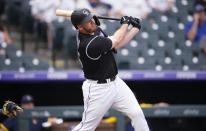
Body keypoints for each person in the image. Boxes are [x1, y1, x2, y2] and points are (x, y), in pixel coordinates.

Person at [69, 8, 149, 131]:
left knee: (136, 113)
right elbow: (116, 39)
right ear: (80, 27)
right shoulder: (88, 44)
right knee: (87, 128)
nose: (92, 21)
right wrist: (125, 24)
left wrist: (135, 29)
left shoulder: (95, 31)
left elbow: (115, 44)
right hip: (98, 90)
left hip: (116, 83)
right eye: (87, 21)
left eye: (91, 18)